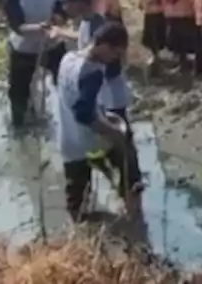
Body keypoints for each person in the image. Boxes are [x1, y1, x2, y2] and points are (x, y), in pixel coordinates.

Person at [56, 22, 142, 221]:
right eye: (115, 53)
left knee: (76, 195)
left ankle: (80, 233)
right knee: (129, 163)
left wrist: (103, 113)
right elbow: (84, 114)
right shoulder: (92, 72)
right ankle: (133, 216)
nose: (114, 59)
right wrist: (114, 132)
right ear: (104, 46)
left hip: (68, 139)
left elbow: (74, 99)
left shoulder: (68, 59)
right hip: (90, 139)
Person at [3, 0, 64, 126]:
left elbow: (62, 11)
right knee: (18, 94)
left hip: (52, 45)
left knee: (65, 83)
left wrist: (57, 20)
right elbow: (17, 26)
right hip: (24, 48)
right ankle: (20, 129)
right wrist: (39, 28)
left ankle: (68, 121)